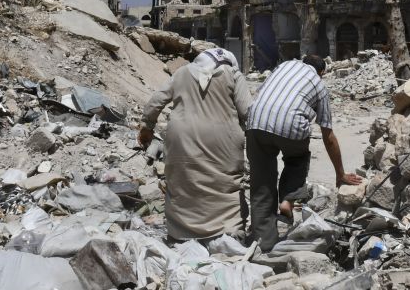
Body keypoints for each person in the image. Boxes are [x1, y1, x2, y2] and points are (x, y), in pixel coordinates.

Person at [245, 55, 365, 252]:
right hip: (290, 126)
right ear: (321, 72)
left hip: (256, 121)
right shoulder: (318, 84)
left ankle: (263, 243)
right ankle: (288, 199)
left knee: (261, 185)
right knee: (297, 159)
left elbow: (261, 94)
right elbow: (328, 135)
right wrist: (340, 173)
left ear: (303, 62)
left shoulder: (284, 65)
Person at [139, 48, 253, 241]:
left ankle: (181, 233)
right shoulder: (233, 74)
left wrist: (146, 127)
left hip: (181, 136)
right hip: (223, 138)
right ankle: (228, 230)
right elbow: (248, 112)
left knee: (183, 180)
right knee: (224, 183)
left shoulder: (181, 72)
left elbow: (156, 100)